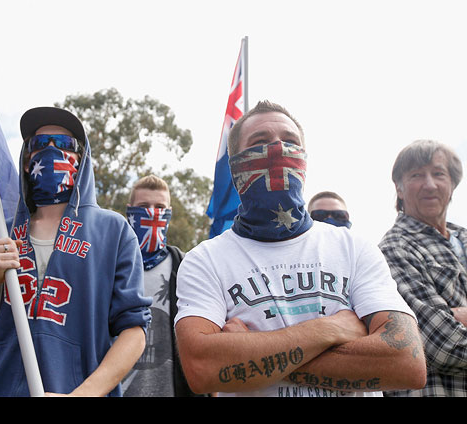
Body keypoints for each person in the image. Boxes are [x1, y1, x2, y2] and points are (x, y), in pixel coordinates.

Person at [174, 100, 426, 397]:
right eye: (260, 142)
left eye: (290, 141)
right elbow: (203, 368)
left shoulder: (354, 248)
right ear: (236, 165)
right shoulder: (204, 260)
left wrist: (248, 358)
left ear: (304, 159)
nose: (279, 149)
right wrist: (331, 330)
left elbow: (406, 362)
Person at [0, 106, 151, 397]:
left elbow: (134, 331)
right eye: (39, 144)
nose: (51, 152)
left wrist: (82, 395)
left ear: (80, 159)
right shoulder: (2, 232)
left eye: (64, 145)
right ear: (27, 161)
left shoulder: (114, 231)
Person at [379, 139, 467, 396]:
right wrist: (449, 321)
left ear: (452, 185)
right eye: (417, 175)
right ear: (399, 188)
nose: (430, 184)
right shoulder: (394, 248)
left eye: (439, 174)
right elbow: (444, 345)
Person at [122, 175, 200, 397]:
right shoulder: (110, 266)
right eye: (143, 206)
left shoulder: (185, 268)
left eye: (160, 207)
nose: (152, 213)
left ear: (169, 214)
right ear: (130, 211)